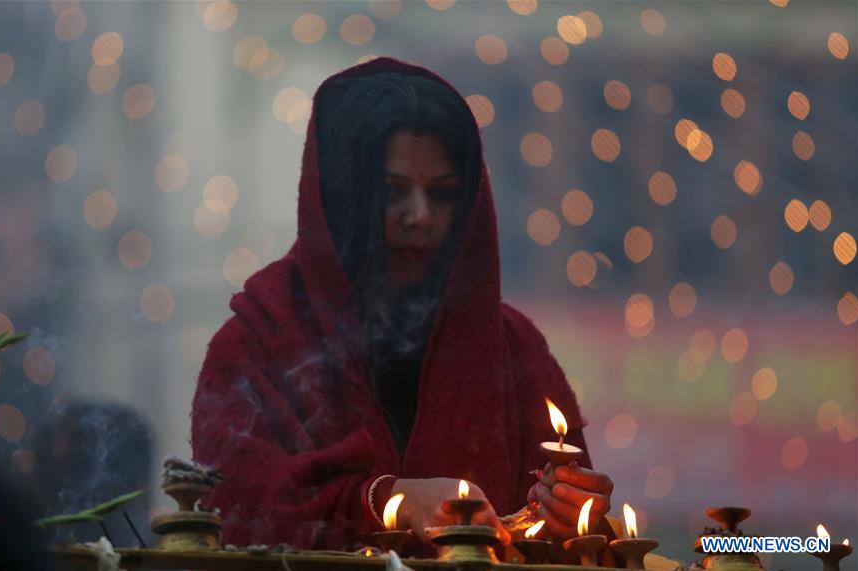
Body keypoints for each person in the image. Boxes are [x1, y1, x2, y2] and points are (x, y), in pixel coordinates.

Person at [191, 57, 615, 552]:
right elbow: (232, 508)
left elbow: (580, 542)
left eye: (442, 194)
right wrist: (388, 501)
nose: (420, 216)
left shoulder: (512, 350)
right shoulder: (259, 343)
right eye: (393, 192)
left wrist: (575, 522)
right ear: (342, 198)